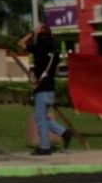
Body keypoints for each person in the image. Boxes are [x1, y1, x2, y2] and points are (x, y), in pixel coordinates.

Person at [20, 22, 73, 155]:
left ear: (40, 34)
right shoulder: (55, 50)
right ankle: (64, 132)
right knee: (42, 117)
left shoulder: (39, 47)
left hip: (41, 89)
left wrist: (33, 33)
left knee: (40, 119)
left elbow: (20, 44)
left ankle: (45, 147)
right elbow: (54, 71)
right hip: (50, 88)